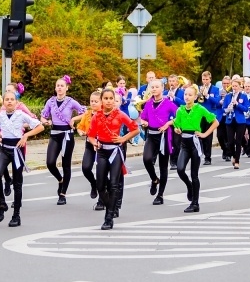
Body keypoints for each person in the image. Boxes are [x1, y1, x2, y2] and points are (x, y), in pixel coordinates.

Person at [86, 88, 140, 230]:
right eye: (106, 98)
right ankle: (111, 206)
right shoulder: (96, 116)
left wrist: (123, 138)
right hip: (102, 151)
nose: (109, 101)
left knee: (114, 184)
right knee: (100, 185)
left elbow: (135, 129)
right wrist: (94, 142)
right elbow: (90, 135)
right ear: (102, 100)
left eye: (111, 98)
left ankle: (108, 217)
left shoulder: (120, 114)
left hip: (116, 150)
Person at [0, 91, 44, 226]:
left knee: (17, 184)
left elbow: (40, 126)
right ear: (3, 102)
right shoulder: (1, 115)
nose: (9, 101)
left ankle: (16, 215)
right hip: (4, 149)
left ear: (16, 102)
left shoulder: (21, 115)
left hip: (17, 151)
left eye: (12, 99)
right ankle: (2, 204)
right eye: (7, 99)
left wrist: (26, 136)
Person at [41, 75, 86, 205]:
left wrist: (74, 119)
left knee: (66, 164)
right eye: (58, 86)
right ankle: (60, 179)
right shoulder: (50, 101)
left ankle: (63, 193)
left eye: (62, 86)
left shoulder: (71, 101)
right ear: (55, 88)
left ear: (67, 88)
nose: (59, 88)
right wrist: (46, 122)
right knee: (50, 163)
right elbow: (43, 117)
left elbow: (84, 112)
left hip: (67, 135)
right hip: (54, 134)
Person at [173, 85, 219, 213]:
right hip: (184, 143)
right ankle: (189, 186)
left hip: (195, 142)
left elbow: (215, 122)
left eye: (190, 95)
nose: (187, 97)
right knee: (180, 169)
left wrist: (204, 134)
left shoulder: (200, 109)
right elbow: (177, 124)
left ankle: (195, 203)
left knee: (194, 174)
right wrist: (177, 129)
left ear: (195, 97)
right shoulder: (180, 110)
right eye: (185, 94)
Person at [140, 79, 177, 205]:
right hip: (151, 135)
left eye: (157, 87)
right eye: (152, 87)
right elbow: (143, 117)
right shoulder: (148, 103)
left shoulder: (168, 103)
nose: (154, 89)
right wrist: (144, 122)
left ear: (162, 88)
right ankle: (154, 179)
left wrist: (168, 123)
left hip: (164, 136)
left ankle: (160, 195)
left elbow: (179, 116)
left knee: (163, 166)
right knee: (146, 159)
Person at [73, 90, 104, 210]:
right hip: (89, 145)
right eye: (92, 101)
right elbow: (80, 127)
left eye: (96, 101)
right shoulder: (87, 114)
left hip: (101, 146)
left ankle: (101, 200)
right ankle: (93, 183)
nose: (93, 103)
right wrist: (81, 132)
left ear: (101, 102)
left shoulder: (103, 114)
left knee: (101, 173)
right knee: (86, 168)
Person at [222, 77, 250, 170]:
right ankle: (234, 156)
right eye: (233, 86)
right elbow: (223, 108)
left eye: (236, 86)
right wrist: (228, 109)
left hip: (240, 121)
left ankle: (237, 161)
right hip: (229, 120)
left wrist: (237, 104)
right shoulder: (228, 96)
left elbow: (246, 109)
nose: (234, 88)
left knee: (238, 141)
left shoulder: (243, 96)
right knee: (230, 142)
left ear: (240, 87)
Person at [197, 71, 219, 165]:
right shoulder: (199, 88)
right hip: (200, 115)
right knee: (199, 136)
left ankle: (208, 157)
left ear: (210, 79)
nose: (205, 81)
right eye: (203, 79)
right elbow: (195, 101)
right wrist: (198, 95)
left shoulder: (215, 89)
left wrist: (207, 95)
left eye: (207, 79)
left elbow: (217, 102)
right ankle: (200, 153)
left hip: (210, 115)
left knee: (208, 137)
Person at [165, 75, 185, 169]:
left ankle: (176, 160)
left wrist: (175, 98)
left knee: (177, 141)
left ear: (177, 82)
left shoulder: (182, 92)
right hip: (168, 120)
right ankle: (172, 161)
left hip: (178, 119)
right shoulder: (165, 92)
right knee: (169, 141)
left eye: (173, 81)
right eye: (170, 81)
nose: (172, 83)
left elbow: (184, 103)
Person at [216, 75, 232, 161]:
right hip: (220, 115)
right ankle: (224, 149)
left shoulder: (233, 92)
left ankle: (228, 153)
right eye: (224, 83)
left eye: (227, 83)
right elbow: (216, 103)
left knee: (228, 135)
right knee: (220, 136)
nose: (225, 85)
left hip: (229, 115)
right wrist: (221, 100)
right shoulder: (219, 91)